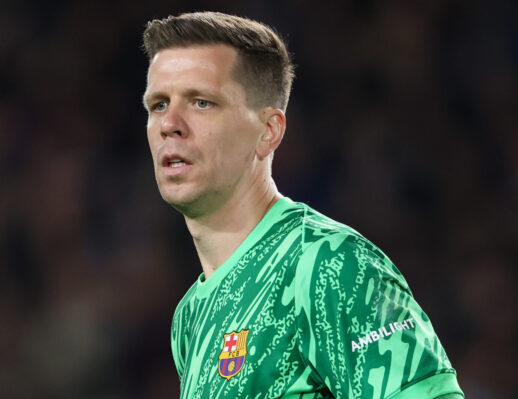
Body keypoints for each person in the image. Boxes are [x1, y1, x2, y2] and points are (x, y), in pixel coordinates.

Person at [141, 11, 463, 399]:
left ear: (269, 131)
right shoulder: (190, 316)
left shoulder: (328, 264)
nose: (169, 123)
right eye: (158, 104)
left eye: (202, 102)